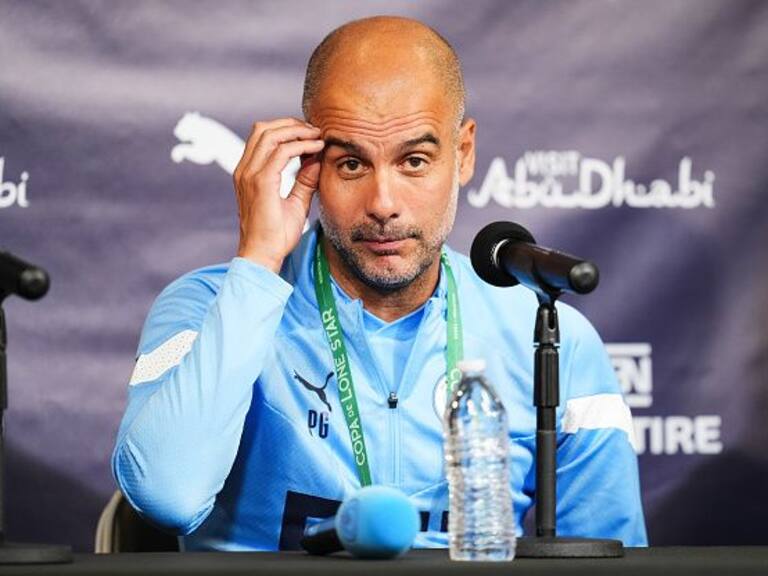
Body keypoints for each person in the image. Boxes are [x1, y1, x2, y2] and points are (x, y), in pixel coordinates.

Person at [112, 15, 647, 551]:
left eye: (414, 161)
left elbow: (609, 556)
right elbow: (167, 497)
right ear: (308, 165)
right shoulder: (207, 305)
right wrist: (257, 263)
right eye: (350, 164)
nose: (383, 204)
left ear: (461, 155)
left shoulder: (551, 336)